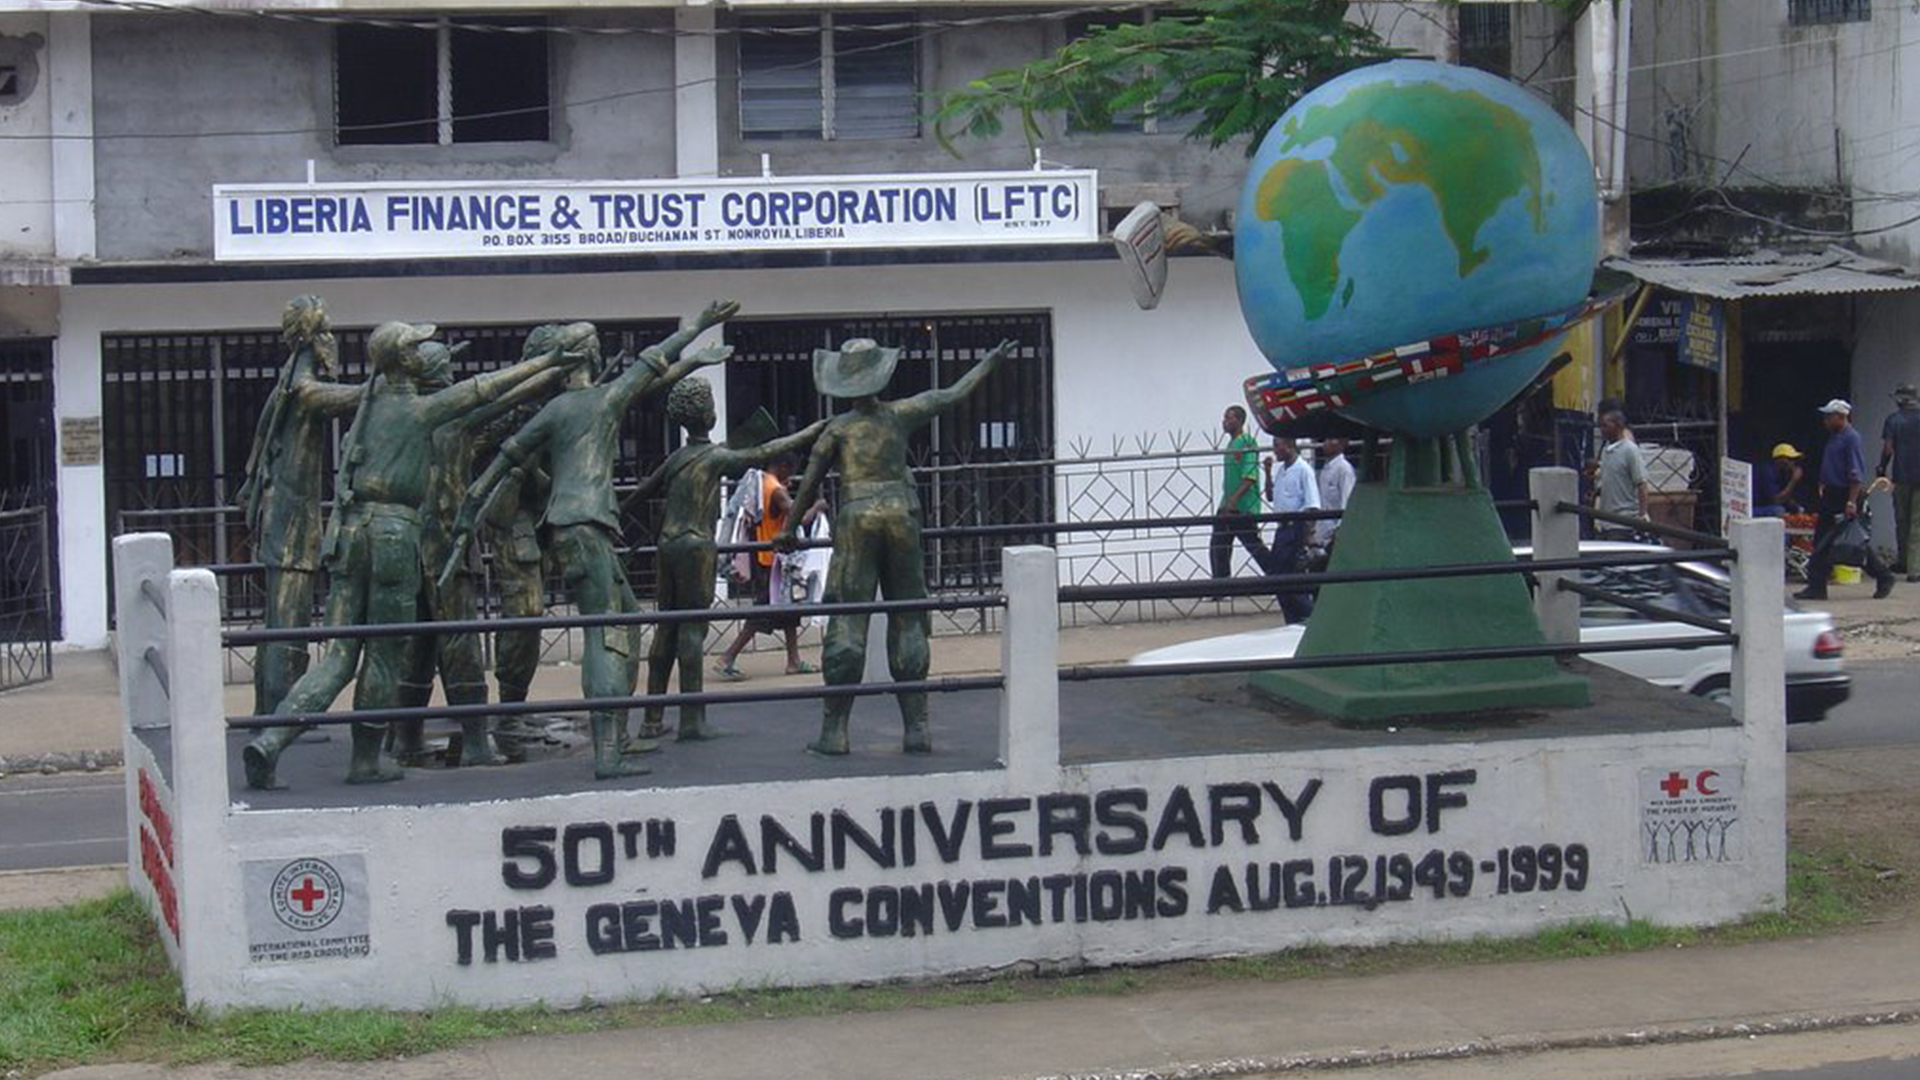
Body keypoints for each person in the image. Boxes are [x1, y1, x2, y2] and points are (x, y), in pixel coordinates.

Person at [241, 321, 585, 791]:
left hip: (351, 537)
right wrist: (548, 365)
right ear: (412, 364)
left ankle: (274, 739)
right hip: (401, 541)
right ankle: (378, 756)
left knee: (343, 656)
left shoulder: (368, 408)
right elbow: (490, 392)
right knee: (406, 651)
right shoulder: (432, 414)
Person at [450, 303, 738, 779]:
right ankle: (608, 752)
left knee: (626, 619)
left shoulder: (556, 408)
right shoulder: (603, 400)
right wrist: (700, 325)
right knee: (606, 633)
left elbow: (503, 460)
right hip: (585, 526)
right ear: (590, 355)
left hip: (570, 527)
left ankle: (617, 734)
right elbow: (650, 362)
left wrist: (469, 508)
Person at [774, 336, 1019, 756]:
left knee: (848, 620)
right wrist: (989, 363)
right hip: (901, 516)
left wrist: (789, 528)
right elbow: (950, 394)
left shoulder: (838, 429)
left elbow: (810, 483)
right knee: (908, 616)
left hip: (857, 519)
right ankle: (916, 727)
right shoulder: (900, 415)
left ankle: (835, 732)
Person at [390, 335, 567, 769]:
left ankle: (405, 737)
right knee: (460, 639)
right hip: (445, 541)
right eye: (448, 368)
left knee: (418, 641)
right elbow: (502, 401)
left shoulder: (400, 418)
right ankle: (474, 742)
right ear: (439, 376)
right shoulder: (452, 421)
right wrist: (550, 367)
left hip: (409, 541)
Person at [626, 387, 824, 744]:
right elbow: (763, 451)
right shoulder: (715, 457)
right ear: (710, 416)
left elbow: (643, 491)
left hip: (667, 544)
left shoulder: (677, 458)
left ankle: (652, 720)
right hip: (694, 545)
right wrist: (812, 431)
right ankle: (692, 720)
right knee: (691, 629)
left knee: (665, 628)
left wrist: (618, 518)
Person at [235, 296, 364, 719]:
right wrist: (380, 389)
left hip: (286, 518)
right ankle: (279, 717)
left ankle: (270, 712)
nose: (332, 340)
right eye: (325, 331)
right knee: (288, 624)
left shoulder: (289, 380)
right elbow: (327, 398)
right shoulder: (301, 386)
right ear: (310, 338)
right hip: (289, 523)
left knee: (280, 622)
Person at [715, 451, 824, 681]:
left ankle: (794, 661)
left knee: (789, 610)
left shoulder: (761, 481)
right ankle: (727, 657)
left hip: (766, 557)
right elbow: (800, 517)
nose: (791, 476)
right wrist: (817, 507)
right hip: (772, 562)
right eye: (790, 470)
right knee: (762, 612)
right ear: (783, 466)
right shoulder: (776, 490)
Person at [1798, 399, 1897, 601]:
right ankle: (1817, 586)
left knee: (1848, 543)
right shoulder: (1835, 437)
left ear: (1841, 417)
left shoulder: (1851, 438)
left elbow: (1855, 473)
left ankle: (1883, 576)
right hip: (1831, 494)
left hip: (1844, 495)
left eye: (1829, 417)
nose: (1826, 421)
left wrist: (1851, 502)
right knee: (1823, 541)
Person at [1210, 405, 1272, 585]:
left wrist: (1234, 499)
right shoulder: (1231, 444)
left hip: (1243, 506)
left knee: (1254, 546)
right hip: (1227, 506)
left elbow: (1249, 476)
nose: (1224, 422)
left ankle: (1278, 577)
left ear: (1239, 421)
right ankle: (1221, 586)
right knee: (1218, 547)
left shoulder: (1247, 443)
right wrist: (1226, 503)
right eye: (1224, 418)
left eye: (1228, 418)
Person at [1261, 435, 1319, 624]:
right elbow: (1271, 496)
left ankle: (1308, 618)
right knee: (1278, 577)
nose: (1275, 450)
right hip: (1282, 528)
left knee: (1292, 579)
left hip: (1296, 527)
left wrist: (1306, 536)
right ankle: (1291, 619)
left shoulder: (1303, 470)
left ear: (1289, 446)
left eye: (1277, 446)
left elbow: (1312, 506)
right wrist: (1267, 472)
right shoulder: (1282, 471)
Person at [1878, 383, 1920, 581]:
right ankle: (1915, 570)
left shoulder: (1893, 420)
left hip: (1901, 476)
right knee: (1917, 525)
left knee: (1902, 521)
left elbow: (1888, 449)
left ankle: (1903, 562)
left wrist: (1881, 467)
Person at [1593, 408, 1649, 539]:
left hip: (1623, 521)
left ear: (1618, 426)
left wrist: (1642, 514)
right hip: (1605, 520)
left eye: (1606, 426)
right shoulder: (1606, 450)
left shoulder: (1630, 450)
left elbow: (1642, 484)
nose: (1602, 430)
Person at [1311, 436, 1355, 556]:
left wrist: (1339, 530)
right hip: (1321, 532)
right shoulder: (1325, 469)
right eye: (1326, 440)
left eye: (1331, 439)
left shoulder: (1344, 469)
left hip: (1334, 533)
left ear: (1342, 443)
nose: (1326, 443)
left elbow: (1347, 500)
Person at [1752, 443, 1805, 517]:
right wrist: (1793, 480)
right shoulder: (1767, 471)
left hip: (1766, 505)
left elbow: (1785, 497)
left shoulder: (1780, 472)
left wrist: (1797, 508)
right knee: (1779, 510)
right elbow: (1776, 500)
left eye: (1794, 460)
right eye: (1790, 459)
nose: (1793, 463)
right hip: (1754, 508)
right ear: (1781, 459)